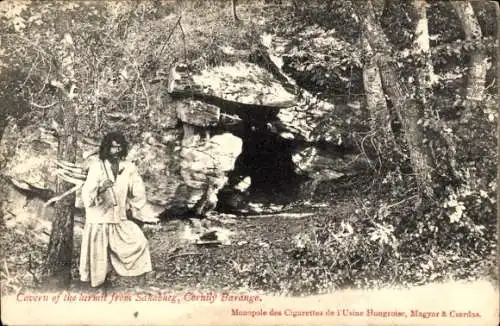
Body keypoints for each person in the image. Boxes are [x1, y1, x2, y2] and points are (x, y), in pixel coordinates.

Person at [79, 131, 153, 288]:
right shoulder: (97, 167)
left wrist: (134, 207)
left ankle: (138, 283)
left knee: (139, 242)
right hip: (99, 218)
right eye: (113, 147)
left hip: (119, 217)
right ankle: (97, 287)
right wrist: (100, 188)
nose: (116, 151)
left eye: (119, 147)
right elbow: (86, 195)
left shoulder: (128, 167)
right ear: (107, 148)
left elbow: (138, 191)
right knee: (98, 258)